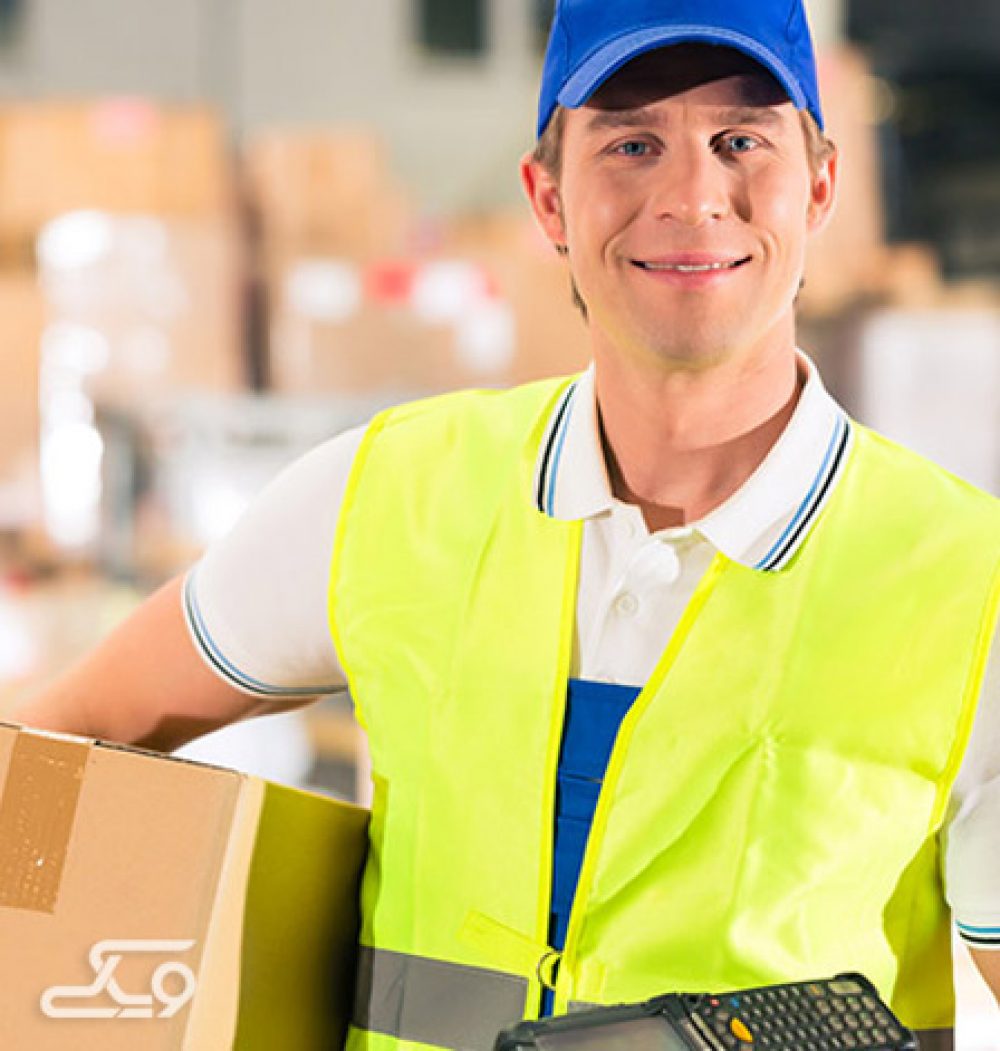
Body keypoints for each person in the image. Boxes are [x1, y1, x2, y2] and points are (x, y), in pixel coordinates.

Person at [14, 1, 1000, 1048]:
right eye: (631, 144)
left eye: (740, 141)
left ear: (821, 186)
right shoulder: (384, 494)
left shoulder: (967, 585)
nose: (692, 195)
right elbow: (49, 750)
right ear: (548, 199)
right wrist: (43, 983)